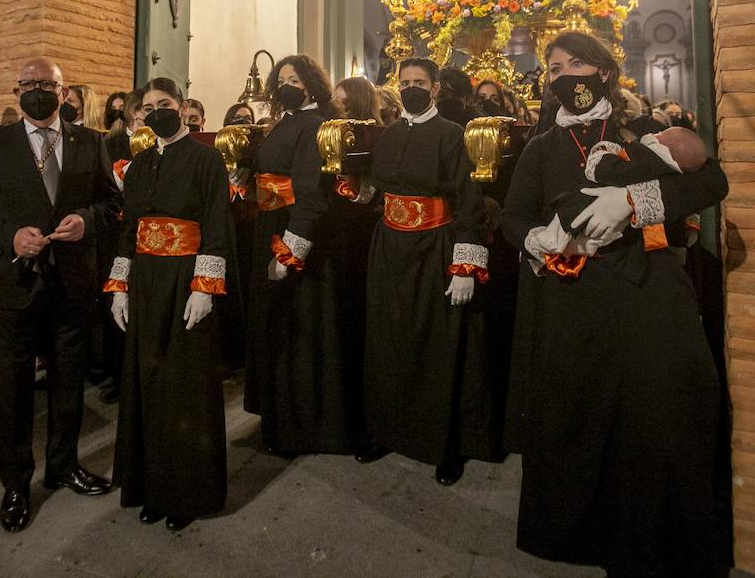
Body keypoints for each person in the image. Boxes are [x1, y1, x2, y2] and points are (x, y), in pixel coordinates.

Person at [500, 32, 729, 574]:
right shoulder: (541, 148)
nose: (564, 74)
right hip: (572, 295)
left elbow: (712, 181)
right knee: (580, 416)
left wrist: (634, 201)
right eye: (555, 67)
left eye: (576, 62)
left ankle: (656, 536)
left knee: (657, 413)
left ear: (604, 71)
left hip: (646, 289)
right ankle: (586, 535)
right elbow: (513, 216)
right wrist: (537, 239)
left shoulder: (643, 131)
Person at [0, 57, 119, 533]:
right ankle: (15, 481)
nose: (39, 90)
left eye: (48, 84)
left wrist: (86, 219)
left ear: (64, 93)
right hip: (16, 282)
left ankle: (63, 464)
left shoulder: (90, 141)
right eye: (29, 83)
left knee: (70, 380)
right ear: (16, 90)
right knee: (13, 387)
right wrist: (9, 239)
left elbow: (111, 202)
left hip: (73, 281)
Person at [352, 58, 497, 486]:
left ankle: (443, 443)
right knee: (388, 338)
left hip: (435, 248)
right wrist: (356, 189)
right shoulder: (391, 133)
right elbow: (378, 189)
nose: (412, 88)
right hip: (389, 248)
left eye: (420, 82)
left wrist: (466, 266)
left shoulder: (453, 136)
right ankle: (386, 430)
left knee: (435, 344)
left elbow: (469, 202)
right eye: (406, 83)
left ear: (435, 88)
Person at [107, 78, 231, 531]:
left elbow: (217, 223)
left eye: (166, 103)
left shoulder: (206, 159)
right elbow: (129, 229)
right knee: (148, 379)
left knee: (185, 384)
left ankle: (187, 492)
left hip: (186, 281)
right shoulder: (138, 167)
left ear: (181, 107)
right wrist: (119, 286)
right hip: (145, 281)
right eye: (149, 106)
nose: (157, 111)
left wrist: (205, 286)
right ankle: (151, 487)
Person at [246, 55, 365, 455]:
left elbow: (312, 193)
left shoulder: (314, 125)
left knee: (301, 331)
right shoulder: (286, 122)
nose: (286, 85)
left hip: (294, 234)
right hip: (271, 223)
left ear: (312, 84)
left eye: (294, 79)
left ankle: (304, 427)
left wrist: (290, 251)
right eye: (281, 79)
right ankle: (282, 418)